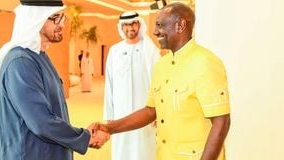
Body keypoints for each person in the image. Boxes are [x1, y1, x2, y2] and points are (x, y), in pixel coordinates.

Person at [95, 2, 231, 160]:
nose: (154, 31)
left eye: (160, 25)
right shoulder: (161, 65)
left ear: (180, 25)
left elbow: (222, 122)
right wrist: (108, 128)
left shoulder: (205, 62)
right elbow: (150, 111)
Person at [0, 0, 109, 159]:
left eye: (62, 18)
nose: (62, 24)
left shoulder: (39, 57)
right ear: (35, 20)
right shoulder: (21, 62)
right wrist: (84, 137)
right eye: (55, 18)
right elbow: (40, 121)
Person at [103, 11, 160, 160]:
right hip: (120, 112)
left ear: (139, 24)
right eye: (126, 25)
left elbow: (158, 81)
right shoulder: (114, 51)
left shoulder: (150, 50)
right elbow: (109, 83)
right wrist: (109, 114)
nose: (130, 28)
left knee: (144, 150)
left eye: (133, 23)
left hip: (144, 111)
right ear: (121, 28)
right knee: (122, 148)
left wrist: (157, 111)